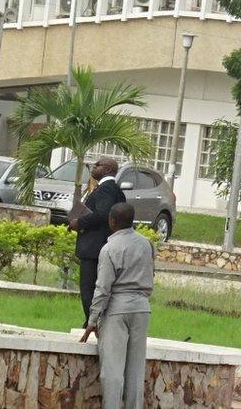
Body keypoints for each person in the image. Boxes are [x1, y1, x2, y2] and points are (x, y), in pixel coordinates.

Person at [81, 202, 155, 409]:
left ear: (112, 221)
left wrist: (92, 320)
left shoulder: (109, 248)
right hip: (142, 308)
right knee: (135, 370)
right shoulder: (147, 244)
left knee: (112, 371)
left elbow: (103, 288)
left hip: (117, 309)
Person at [69, 157, 126, 323]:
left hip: (94, 248)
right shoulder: (111, 189)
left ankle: (92, 324)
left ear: (108, 170)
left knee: (89, 289)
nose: (93, 168)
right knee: (97, 289)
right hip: (102, 246)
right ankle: (93, 322)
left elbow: (102, 214)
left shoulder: (106, 189)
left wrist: (78, 222)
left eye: (97, 165)